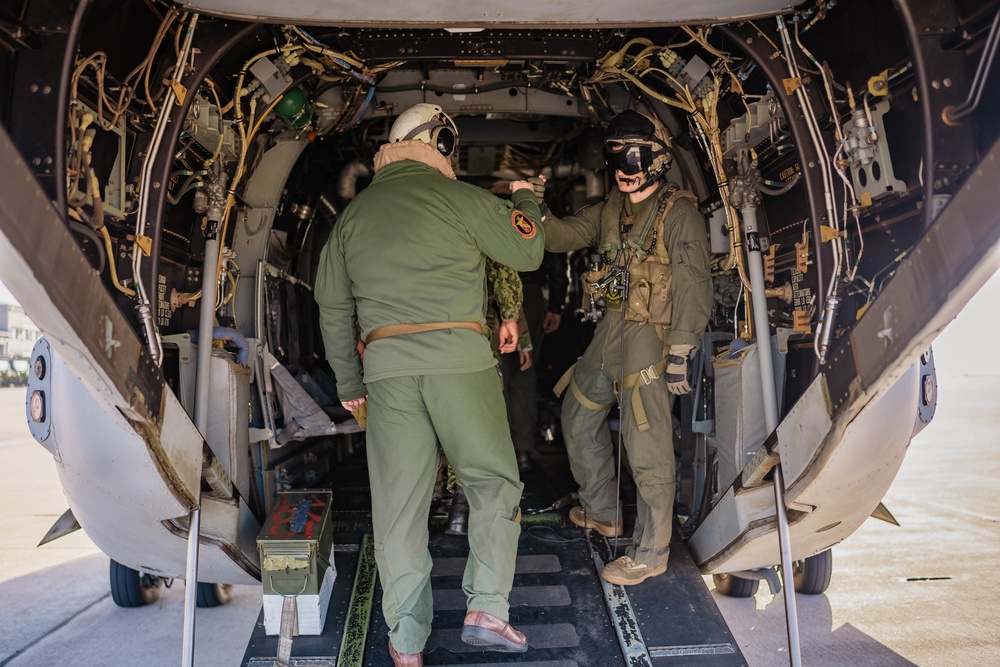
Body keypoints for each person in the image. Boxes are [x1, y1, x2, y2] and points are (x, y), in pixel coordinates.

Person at [315, 103, 545, 666]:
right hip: (461, 365)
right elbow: (528, 250)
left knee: (398, 511)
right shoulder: (464, 199)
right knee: (492, 484)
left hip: (387, 374)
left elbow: (330, 304)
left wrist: (350, 379)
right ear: (441, 144)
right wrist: (524, 197)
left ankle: (407, 643)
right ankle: (488, 606)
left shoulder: (352, 217)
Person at [540, 110, 712, 586]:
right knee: (576, 413)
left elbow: (696, 286)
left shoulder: (679, 213)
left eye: (632, 153)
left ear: (656, 157)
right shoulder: (612, 209)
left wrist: (680, 349)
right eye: (614, 154)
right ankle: (603, 512)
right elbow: (558, 237)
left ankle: (652, 550)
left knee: (646, 443)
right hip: (613, 327)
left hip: (650, 336)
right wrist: (534, 206)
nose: (622, 165)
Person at [499, 251, 568, 470]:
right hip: (528, 288)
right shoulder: (536, 214)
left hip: (491, 291)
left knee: (498, 373)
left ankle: (502, 449)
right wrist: (556, 304)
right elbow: (555, 252)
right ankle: (522, 450)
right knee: (523, 371)